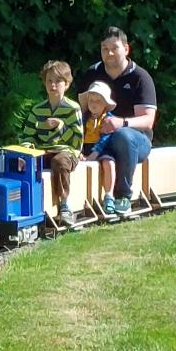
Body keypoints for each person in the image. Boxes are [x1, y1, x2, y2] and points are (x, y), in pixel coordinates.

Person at [76, 26, 157, 214]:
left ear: (126, 49)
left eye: (115, 48)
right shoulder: (92, 74)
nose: (109, 52)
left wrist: (122, 123)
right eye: (105, 48)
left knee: (122, 135)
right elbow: (80, 114)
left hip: (136, 140)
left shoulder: (140, 77)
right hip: (96, 138)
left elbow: (148, 120)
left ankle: (123, 196)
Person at [17, 60, 84, 225]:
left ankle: (64, 206)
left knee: (59, 161)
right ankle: (26, 207)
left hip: (66, 152)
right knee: (21, 162)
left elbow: (77, 141)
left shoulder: (73, 108)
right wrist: (26, 151)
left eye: (58, 81)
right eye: (49, 81)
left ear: (66, 84)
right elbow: (27, 136)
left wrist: (60, 127)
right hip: (43, 151)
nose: (53, 85)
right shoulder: (37, 109)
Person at [78, 81, 118, 214]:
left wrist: (94, 155)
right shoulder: (83, 118)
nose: (94, 104)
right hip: (86, 148)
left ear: (106, 103)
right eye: (91, 100)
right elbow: (78, 135)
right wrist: (79, 151)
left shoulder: (108, 119)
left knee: (109, 163)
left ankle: (109, 195)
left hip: (102, 149)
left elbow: (105, 139)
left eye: (98, 101)